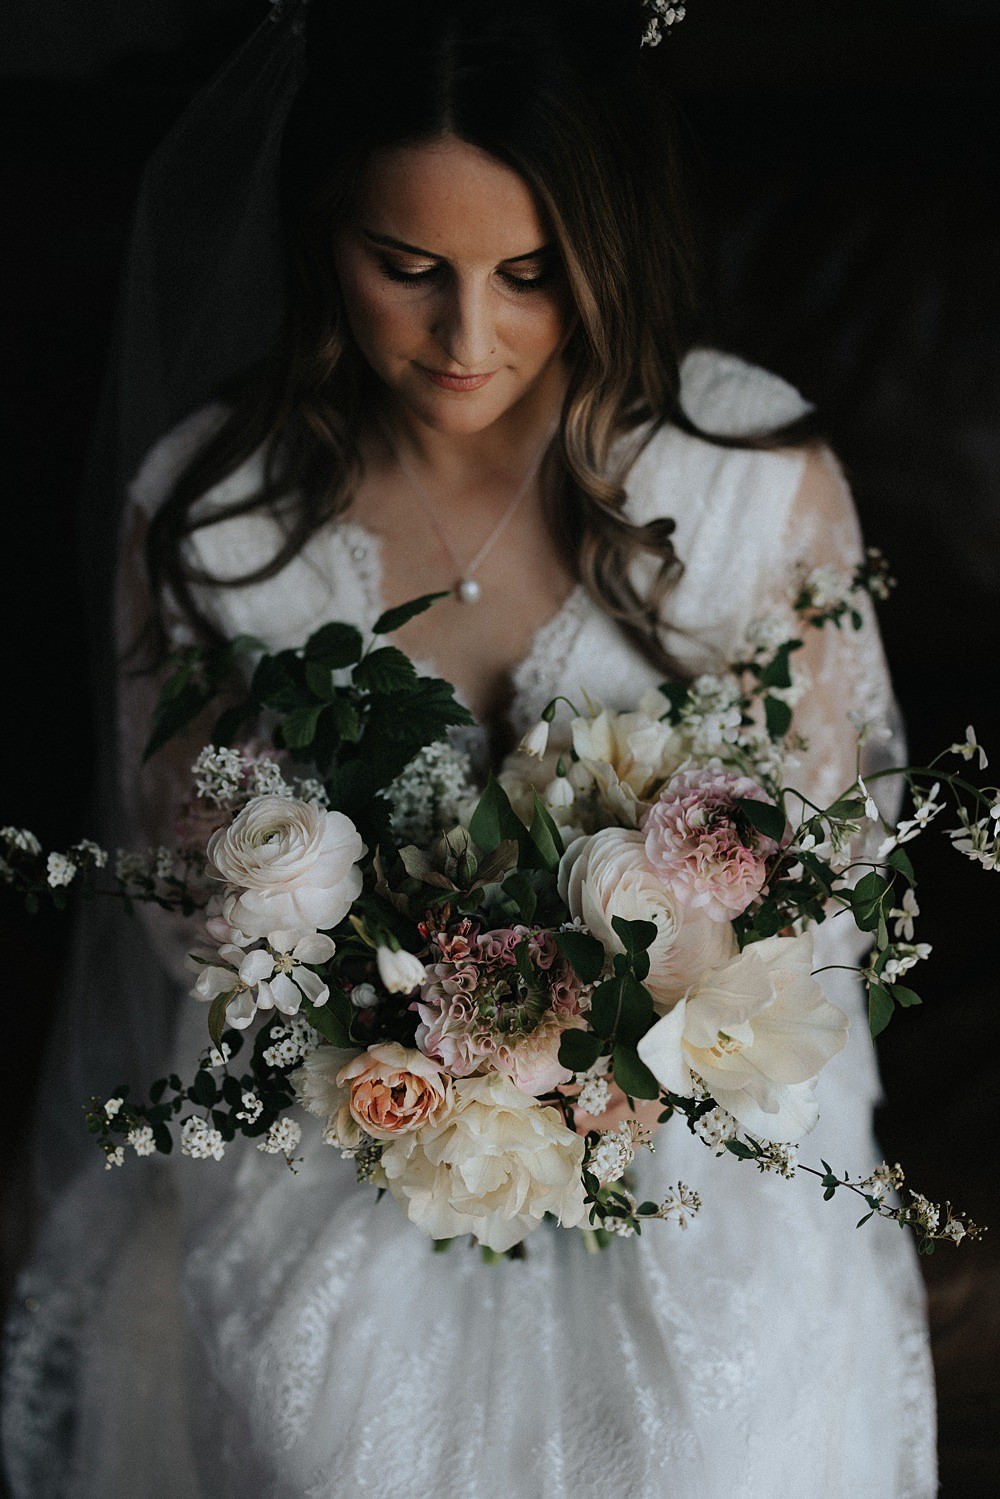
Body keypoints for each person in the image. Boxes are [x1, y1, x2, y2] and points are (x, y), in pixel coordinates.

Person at [3, 2, 937, 1494]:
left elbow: (823, 900)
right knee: (337, 1433)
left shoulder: (752, 478)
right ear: (324, 235)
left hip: (694, 1119)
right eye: (409, 271)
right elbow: (195, 923)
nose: (467, 338)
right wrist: (411, 1023)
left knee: (713, 1424)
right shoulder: (217, 520)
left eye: (529, 274)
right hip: (330, 1114)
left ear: (608, 244)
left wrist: (605, 1056)